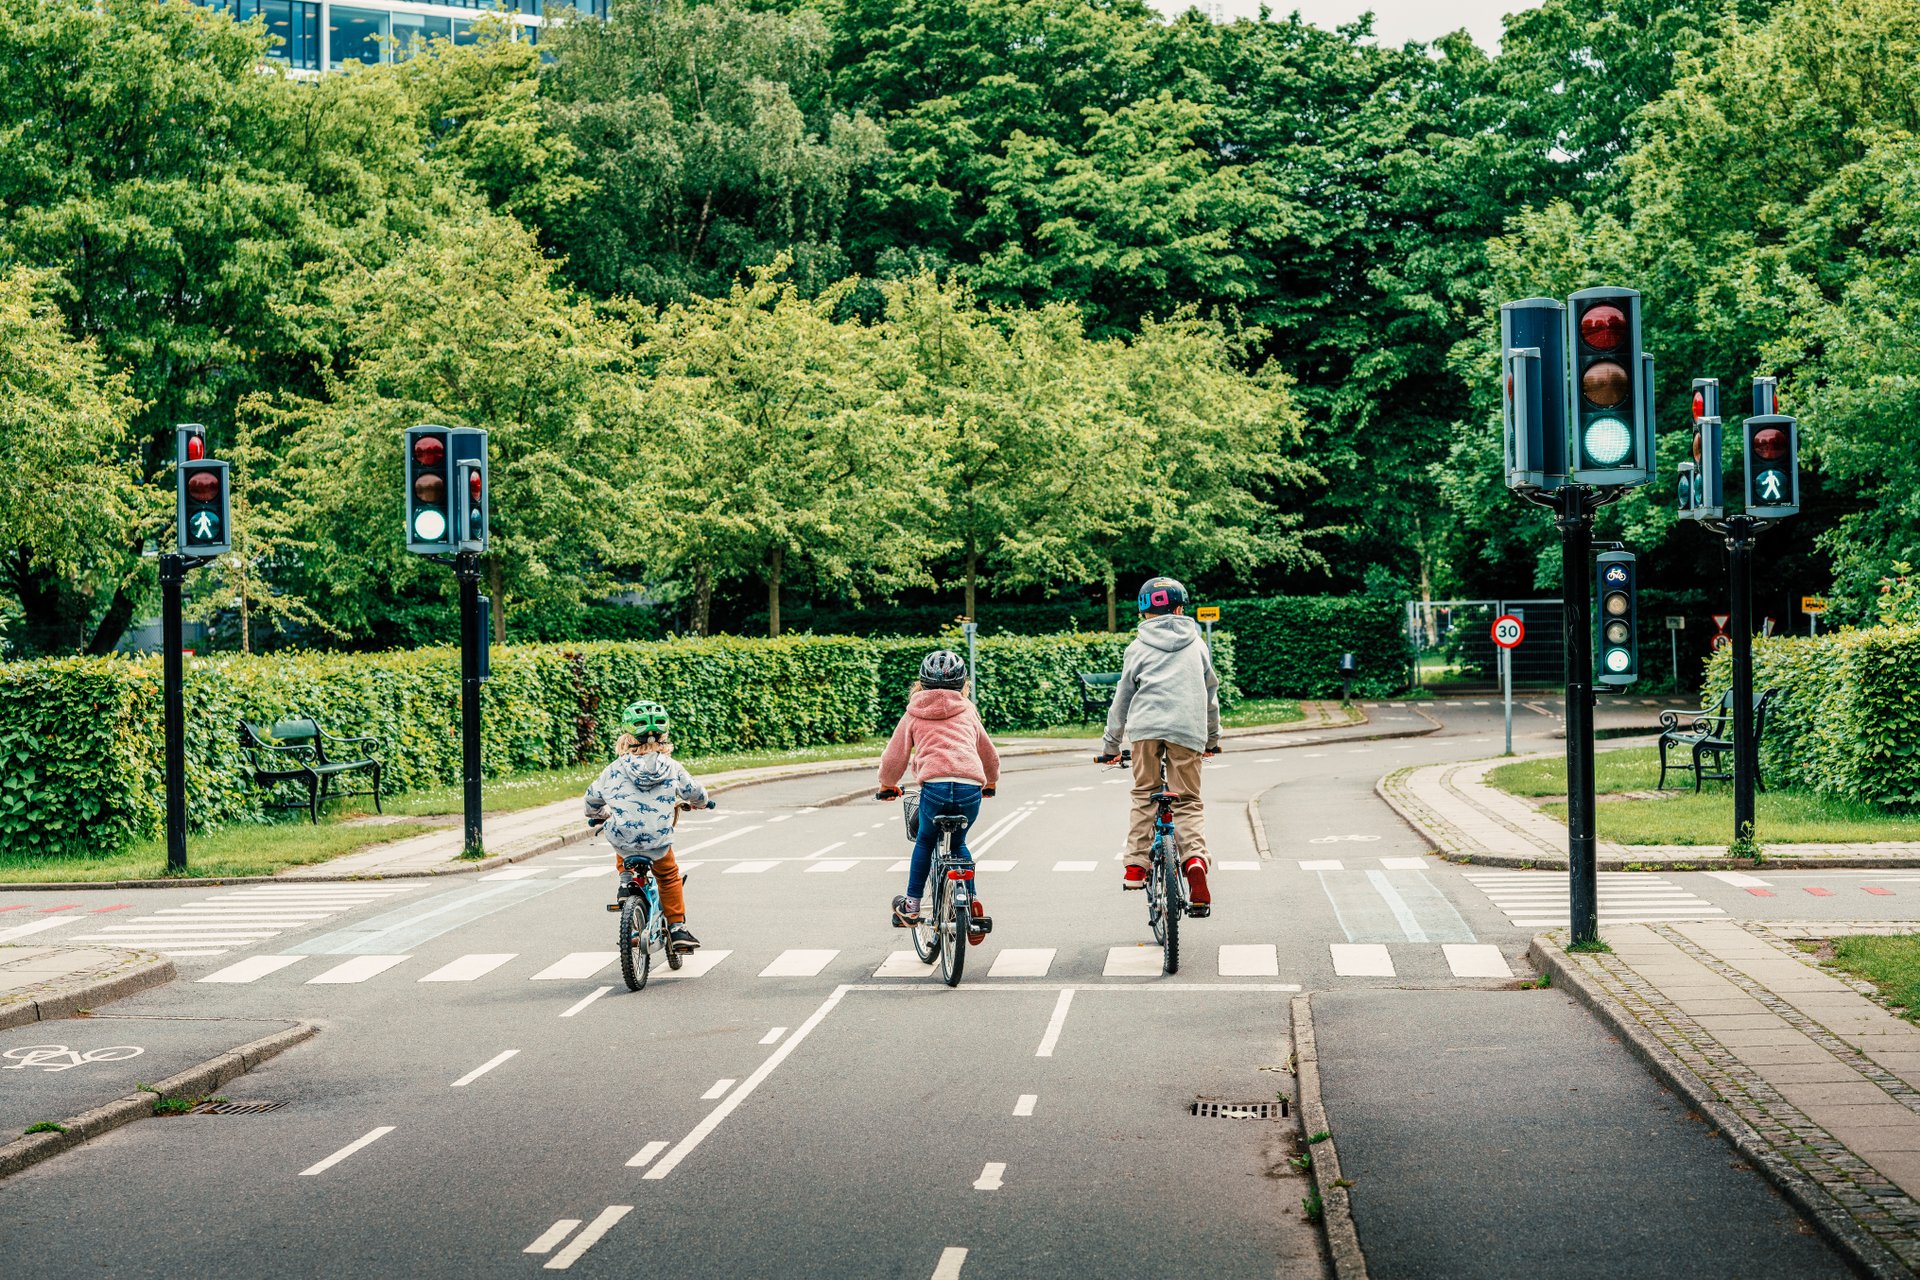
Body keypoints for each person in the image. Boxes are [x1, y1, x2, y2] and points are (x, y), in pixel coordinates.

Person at [1095, 576, 1221, 916]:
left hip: (1145, 731)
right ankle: (1194, 859)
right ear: (1180, 609)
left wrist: (1110, 745)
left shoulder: (1137, 647)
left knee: (1143, 794)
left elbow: (1122, 700)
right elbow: (1211, 696)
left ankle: (1136, 867)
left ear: (1143, 611)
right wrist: (1211, 740)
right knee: (1189, 802)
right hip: (1187, 731)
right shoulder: (1197, 645)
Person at [876, 650, 1000, 940]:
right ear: (962, 685)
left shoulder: (913, 713)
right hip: (971, 788)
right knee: (959, 843)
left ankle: (911, 906)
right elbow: (988, 754)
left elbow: (895, 757)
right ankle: (970, 903)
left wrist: (886, 784)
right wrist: (991, 781)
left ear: (921, 684)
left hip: (935, 787)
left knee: (925, 839)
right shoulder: (968, 710)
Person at [584, 700, 708, 951]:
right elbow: (694, 791)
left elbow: (591, 799)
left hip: (625, 840)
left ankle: (626, 881)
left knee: (620, 837)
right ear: (663, 739)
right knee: (668, 875)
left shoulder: (614, 769)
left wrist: (599, 813)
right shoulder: (672, 767)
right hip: (657, 841)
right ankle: (677, 928)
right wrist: (701, 802)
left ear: (627, 738)